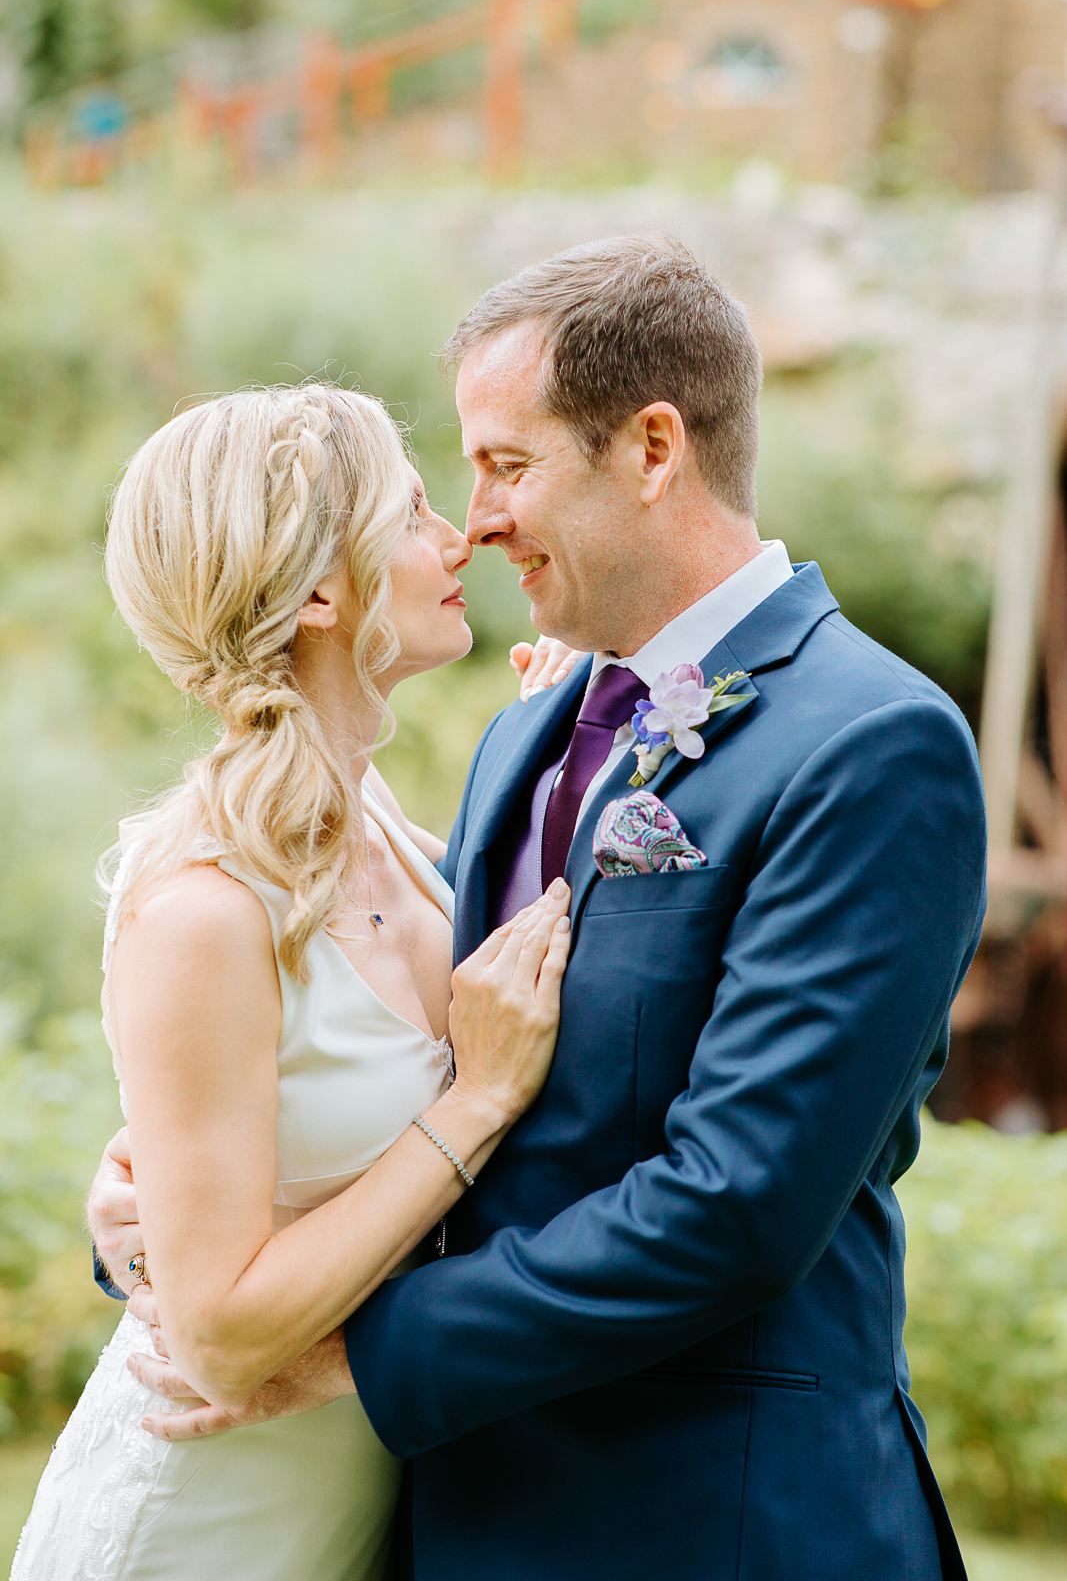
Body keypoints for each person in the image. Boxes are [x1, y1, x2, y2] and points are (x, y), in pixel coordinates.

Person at [89, 237, 986, 1581]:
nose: (476, 522)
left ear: (649, 447)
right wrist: (179, 1217)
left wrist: (336, 1356)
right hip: (452, 1518)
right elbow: (423, 1062)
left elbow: (736, 1203)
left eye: (505, 465)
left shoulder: (867, 744)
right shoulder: (530, 732)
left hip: (712, 1521)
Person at [11, 383, 575, 1581]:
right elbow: (215, 1338)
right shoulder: (205, 908)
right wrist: (469, 1106)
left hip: (359, 1504)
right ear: (320, 592)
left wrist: (560, 738)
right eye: (412, 512)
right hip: (204, 1525)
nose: (456, 536)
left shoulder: (374, 821)